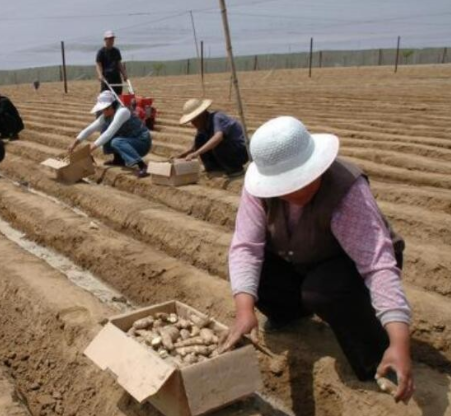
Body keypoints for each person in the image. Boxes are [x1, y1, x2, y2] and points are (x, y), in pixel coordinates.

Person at [219, 116, 414, 404]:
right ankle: (290, 314)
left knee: (323, 290)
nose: (294, 191)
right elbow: (246, 247)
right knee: (253, 275)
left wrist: (400, 341)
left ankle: (376, 355)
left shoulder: (345, 188)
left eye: (302, 180)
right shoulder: (257, 189)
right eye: (284, 186)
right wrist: (244, 311)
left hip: (346, 266)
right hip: (299, 257)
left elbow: (377, 264)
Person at [68, 91, 151, 178]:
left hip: (142, 142)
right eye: (103, 109)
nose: (104, 112)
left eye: (106, 109)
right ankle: (118, 160)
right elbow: (90, 129)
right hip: (130, 139)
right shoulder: (106, 115)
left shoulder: (122, 112)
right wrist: (75, 143)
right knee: (105, 130)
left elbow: (109, 133)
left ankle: (142, 166)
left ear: (112, 106)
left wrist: (89, 149)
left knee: (116, 141)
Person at [176, 99, 248, 178]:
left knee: (217, 143)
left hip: (241, 151)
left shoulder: (217, 117)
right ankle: (214, 167)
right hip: (230, 149)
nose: (193, 124)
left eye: (194, 120)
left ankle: (236, 169)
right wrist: (183, 155)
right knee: (199, 139)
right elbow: (196, 146)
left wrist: (196, 153)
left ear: (202, 115)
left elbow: (218, 138)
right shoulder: (203, 126)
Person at [96, 30, 127, 95]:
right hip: (106, 78)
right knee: (106, 97)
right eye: (109, 39)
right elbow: (98, 65)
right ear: (105, 39)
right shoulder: (101, 52)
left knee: (118, 96)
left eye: (112, 39)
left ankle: (118, 105)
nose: (111, 41)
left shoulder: (116, 51)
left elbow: (119, 64)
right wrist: (100, 75)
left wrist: (124, 74)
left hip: (116, 77)